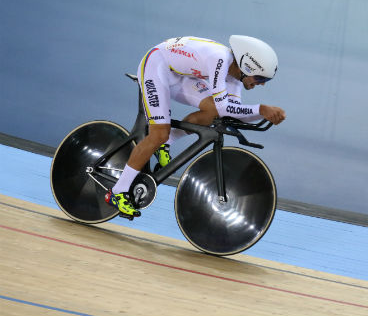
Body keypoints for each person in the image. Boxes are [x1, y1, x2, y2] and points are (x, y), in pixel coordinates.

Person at [104, 35, 286, 218]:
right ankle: (117, 192)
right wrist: (261, 109)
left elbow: (231, 112)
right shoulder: (220, 59)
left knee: (212, 111)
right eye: (261, 78)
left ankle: (168, 141)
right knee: (158, 134)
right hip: (156, 66)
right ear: (247, 67)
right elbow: (226, 107)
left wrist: (262, 115)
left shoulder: (235, 77)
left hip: (179, 75)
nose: (262, 84)